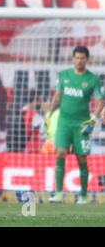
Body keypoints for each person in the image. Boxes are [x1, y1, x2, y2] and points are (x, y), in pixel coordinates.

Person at [47, 46, 104, 204]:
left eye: (82, 58)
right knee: (60, 153)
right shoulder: (64, 75)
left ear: (87, 60)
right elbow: (57, 96)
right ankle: (58, 193)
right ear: (73, 59)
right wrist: (49, 114)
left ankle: (84, 195)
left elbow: (100, 102)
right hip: (64, 122)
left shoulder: (93, 79)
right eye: (77, 58)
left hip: (82, 124)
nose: (79, 61)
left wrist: (93, 119)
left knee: (81, 158)